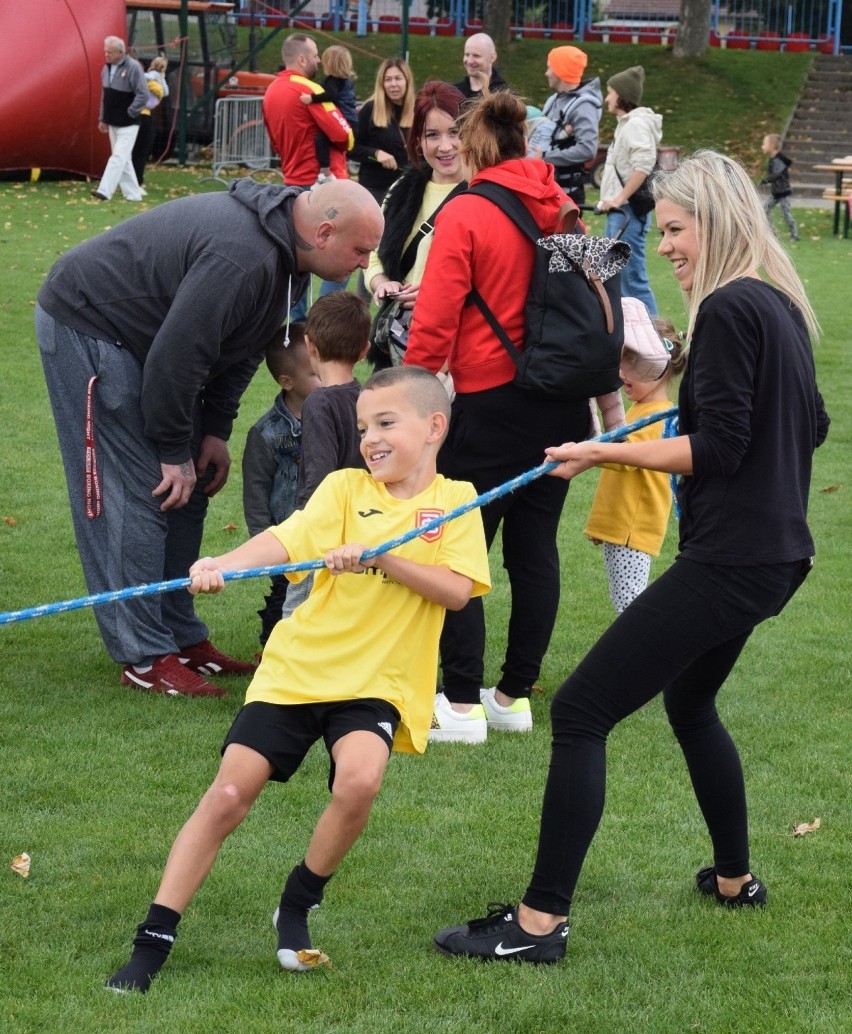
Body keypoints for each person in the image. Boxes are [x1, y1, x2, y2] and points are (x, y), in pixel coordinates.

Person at [432, 150, 830, 964]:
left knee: (580, 711)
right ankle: (733, 881)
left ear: (715, 222)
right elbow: (811, 424)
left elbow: (718, 447)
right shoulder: (782, 306)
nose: (669, 247)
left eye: (677, 230)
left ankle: (538, 924)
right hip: (780, 556)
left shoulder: (730, 309)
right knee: (689, 705)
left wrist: (600, 453)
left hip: (735, 560)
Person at [104, 365, 491, 993]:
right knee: (229, 795)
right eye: (364, 427)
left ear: (434, 426)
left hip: (376, 682)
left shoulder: (455, 502)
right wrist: (222, 563)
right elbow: (286, 541)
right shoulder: (342, 489)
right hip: (299, 669)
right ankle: (154, 937)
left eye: (386, 423)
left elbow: (454, 592)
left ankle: (299, 899)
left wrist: (381, 555)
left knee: (361, 780)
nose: (371, 438)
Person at [36, 179, 384, 697]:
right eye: (360, 250)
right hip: (91, 326)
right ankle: (145, 655)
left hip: (151, 349)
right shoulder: (242, 257)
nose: (364, 263)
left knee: (193, 485)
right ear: (325, 232)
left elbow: (242, 346)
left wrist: (214, 434)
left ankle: (180, 636)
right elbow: (178, 357)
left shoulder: (292, 261)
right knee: (144, 490)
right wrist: (173, 450)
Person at [404, 90, 587, 743]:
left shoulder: (470, 210)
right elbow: (581, 305)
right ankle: (511, 695)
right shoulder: (559, 205)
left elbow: (436, 317)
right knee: (534, 550)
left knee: (457, 549)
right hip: (562, 403)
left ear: (478, 148)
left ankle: (459, 703)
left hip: (493, 402)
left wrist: (414, 396)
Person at [273, 291, 372, 621]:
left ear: (310, 345)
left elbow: (318, 473)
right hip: (362, 527)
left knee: (298, 612)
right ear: (364, 350)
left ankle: (289, 669)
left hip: (324, 529)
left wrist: (304, 525)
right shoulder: (368, 397)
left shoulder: (319, 403)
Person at [585, 299, 686, 614]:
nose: (620, 373)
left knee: (630, 608)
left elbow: (623, 457)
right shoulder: (643, 409)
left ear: (658, 369)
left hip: (633, 532)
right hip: (624, 531)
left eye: (632, 365)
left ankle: (647, 658)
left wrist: (588, 441)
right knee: (626, 602)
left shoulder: (657, 416)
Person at [365, 80, 467, 369]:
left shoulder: (485, 193)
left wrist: (436, 295)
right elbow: (374, 249)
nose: (445, 146)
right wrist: (381, 282)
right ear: (418, 141)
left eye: (455, 132)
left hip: (454, 349)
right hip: (397, 342)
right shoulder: (403, 189)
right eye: (432, 135)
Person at [241, 325, 320, 647]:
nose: (326, 379)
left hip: (329, 536)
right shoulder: (267, 434)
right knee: (283, 603)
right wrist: (265, 543)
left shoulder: (343, 415)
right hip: (287, 544)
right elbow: (255, 493)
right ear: (287, 382)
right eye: (316, 374)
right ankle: (274, 655)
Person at [597, 65, 662, 314]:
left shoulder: (635, 124)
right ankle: (635, 340)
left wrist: (619, 198)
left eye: (610, 92)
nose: (607, 98)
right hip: (620, 213)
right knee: (617, 281)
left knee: (632, 279)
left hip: (628, 214)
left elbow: (643, 165)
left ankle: (660, 341)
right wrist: (609, 200)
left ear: (622, 95)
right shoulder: (625, 124)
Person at [262, 34, 353, 188]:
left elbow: (275, 143)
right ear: (302, 60)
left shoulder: (270, 92)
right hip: (323, 182)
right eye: (315, 55)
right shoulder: (311, 91)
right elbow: (344, 135)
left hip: (291, 180)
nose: (318, 60)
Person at [533, 45, 602, 206]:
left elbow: (587, 149)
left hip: (567, 194)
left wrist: (545, 157)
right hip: (547, 188)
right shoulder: (553, 100)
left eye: (549, 68)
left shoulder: (584, 106)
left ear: (560, 71)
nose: (546, 73)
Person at [350, 57, 415, 207]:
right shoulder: (369, 110)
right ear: (382, 84)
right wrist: (376, 153)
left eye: (398, 78)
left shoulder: (418, 111)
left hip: (407, 190)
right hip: (375, 190)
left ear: (407, 81)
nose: (393, 84)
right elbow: (352, 149)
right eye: (388, 79)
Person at [91, 36, 148, 203]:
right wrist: (103, 118)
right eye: (105, 52)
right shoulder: (106, 68)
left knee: (118, 156)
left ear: (120, 52)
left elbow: (143, 94)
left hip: (129, 123)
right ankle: (133, 194)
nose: (106, 55)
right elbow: (105, 95)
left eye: (110, 52)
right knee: (124, 159)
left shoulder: (133, 67)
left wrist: (131, 111)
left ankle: (104, 190)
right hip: (113, 121)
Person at [299, 44, 358, 185]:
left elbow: (330, 95)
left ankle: (325, 172)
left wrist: (311, 98)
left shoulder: (333, 81)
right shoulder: (344, 81)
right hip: (350, 119)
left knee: (320, 140)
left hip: (343, 119)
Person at [131, 55, 170, 191]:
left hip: (144, 113)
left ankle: (136, 179)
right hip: (144, 113)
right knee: (140, 150)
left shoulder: (153, 77)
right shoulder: (154, 77)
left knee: (138, 150)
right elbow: (163, 91)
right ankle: (136, 179)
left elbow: (163, 91)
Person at [760, 133, 799, 242]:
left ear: (771, 146)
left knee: (785, 213)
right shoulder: (772, 159)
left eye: (764, 144)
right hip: (776, 193)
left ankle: (794, 234)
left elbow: (776, 174)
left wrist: (766, 180)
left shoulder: (779, 160)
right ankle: (772, 233)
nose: (762, 146)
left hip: (784, 193)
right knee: (765, 208)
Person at [454, 32, 508, 101]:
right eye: (467, 55)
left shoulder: (504, 97)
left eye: (476, 56)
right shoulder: (454, 94)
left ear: (492, 57)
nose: (469, 61)